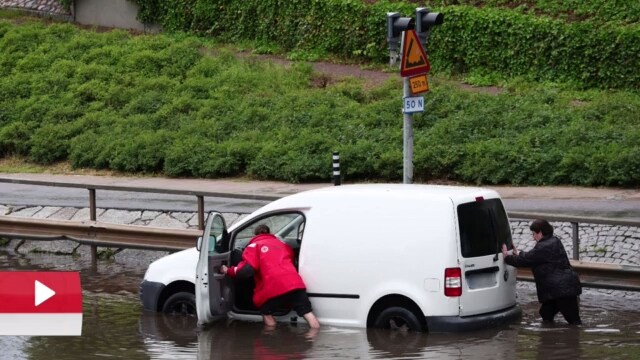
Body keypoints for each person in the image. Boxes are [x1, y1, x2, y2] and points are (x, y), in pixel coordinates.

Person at [220, 224, 320, 329]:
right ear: (269, 232)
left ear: (255, 234)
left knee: (266, 311)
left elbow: (246, 270)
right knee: (307, 312)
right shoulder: (283, 244)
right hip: (295, 283)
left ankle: (270, 337)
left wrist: (229, 270)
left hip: (275, 285)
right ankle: (314, 340)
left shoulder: (254, 246)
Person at [501, 219, 582, 325]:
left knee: (574, 322)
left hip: (562, 290)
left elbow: (527, 260)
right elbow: (533, 256)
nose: (533, 237)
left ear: (540, 232)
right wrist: (518, 253)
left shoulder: (543, 246)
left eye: (534, 234)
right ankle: (551, 339)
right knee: (546, 314)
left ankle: (572, 338)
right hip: (559, 289)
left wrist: (507, 257)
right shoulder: (554, 241)